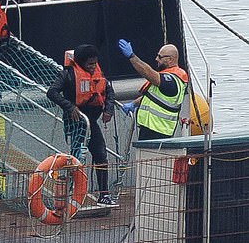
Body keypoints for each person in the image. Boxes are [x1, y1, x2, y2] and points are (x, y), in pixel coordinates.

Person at [47, 45, 117, 206]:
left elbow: (109, 92)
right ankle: (70, 194)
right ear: (80, 63)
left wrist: (109, 109)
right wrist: (69, 106)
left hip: (92, 121)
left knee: (100, 155)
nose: (93, 67)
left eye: (94, 64)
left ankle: (104, 195)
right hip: (76, 122)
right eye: (89, 64)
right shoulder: (68, 75)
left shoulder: (98, 73)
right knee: (77, 158)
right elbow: (52, 92)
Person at [118, 40, 188, 140]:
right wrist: (134, 104)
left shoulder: (172, 80)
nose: (156, 59)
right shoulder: (167, 77)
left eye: (160, 57)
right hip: (150, 129)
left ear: (170, 60)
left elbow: (148, 73)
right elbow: (153, 96)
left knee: (152, 156)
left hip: (159, 131)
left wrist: (132, 57)